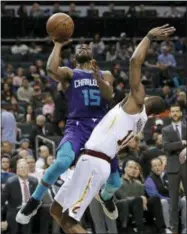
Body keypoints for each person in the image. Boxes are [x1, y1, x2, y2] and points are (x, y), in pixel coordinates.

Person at [48, 25, 175, 233]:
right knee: (55, 209)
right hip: (95, 160)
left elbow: (134, 61)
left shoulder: (136, 103)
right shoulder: (140, 120)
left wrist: (149, 36)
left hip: (94, 162)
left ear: (148, 99)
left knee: (70, 220)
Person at [16, 40, 115, 224]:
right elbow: (51, 69)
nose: (83, 47)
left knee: (116, 181)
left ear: (93, 54)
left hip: (101, 129)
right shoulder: (70, 73)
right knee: (62, 162)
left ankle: (106, 196)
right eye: (80, 47)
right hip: (77, 126)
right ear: (75, 57)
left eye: (87, 46)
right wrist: (58, 44)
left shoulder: (106, 74)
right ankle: (35, 199)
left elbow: (109, 96)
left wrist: (97, 77)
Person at [162, 104, 187, 234]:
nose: (175, 113)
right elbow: (166, 146)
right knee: (173, 201)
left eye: (177, 111)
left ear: (181, 113)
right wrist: (181, 143)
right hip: (173, 168)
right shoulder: (166, 130)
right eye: (173, 111)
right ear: (170, 114)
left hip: (186, 166)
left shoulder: (186, 127)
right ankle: (174, 230)